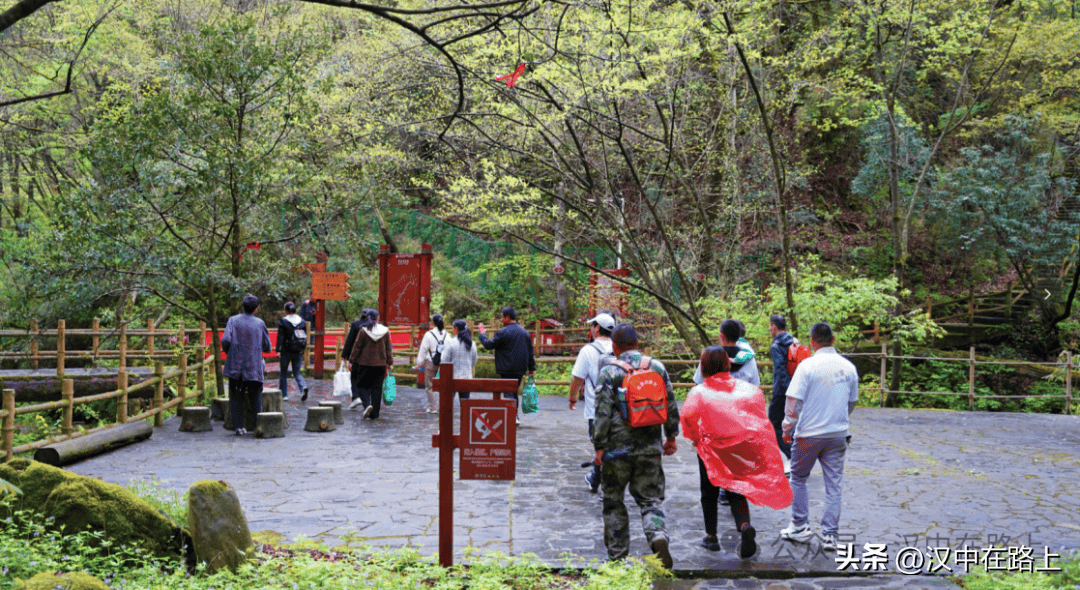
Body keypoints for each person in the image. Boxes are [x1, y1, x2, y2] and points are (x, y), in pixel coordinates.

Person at [681, 346, 792, 558]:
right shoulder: (747, 390)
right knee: (737, 488)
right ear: (727, 363)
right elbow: (757, 417)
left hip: (711, 447)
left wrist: (696, 438)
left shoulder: (699, 392)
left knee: (709, 492)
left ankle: (711, 537)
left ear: (703, 367)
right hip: (739, 447)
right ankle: (744, 525)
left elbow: (687, 417)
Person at [592, 323, 680, 569]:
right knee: (650, 500)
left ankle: (618, 560)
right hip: (650, 447)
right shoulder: (657, 367)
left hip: (616, 450)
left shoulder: (609, 372)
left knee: (613, 501)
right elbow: (670, 403)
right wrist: (671, 437)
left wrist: (599, 446)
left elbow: (602, 412)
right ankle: (658, 536)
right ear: (638, 344)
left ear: (615, 346)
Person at [780, 322, 859, 551]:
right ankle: (830, 535)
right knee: (834, 483)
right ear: (833, 338)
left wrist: (787, 427)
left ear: (812, 341)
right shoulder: (848, 367)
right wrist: (840, 418)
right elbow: (851, 402)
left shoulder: (807, 366)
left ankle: (800, 525)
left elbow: (794, 401)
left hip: (809, 433)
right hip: (837, 433)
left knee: (799, 477)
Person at [569, 312, 615, 493]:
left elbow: (577, 378)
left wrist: (572, 398)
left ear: (597, 328)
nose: (591, 329)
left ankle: (602, 483)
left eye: (592, 325)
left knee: (600, 445)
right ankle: (596, 479)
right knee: (611, 443)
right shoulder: (619, 347)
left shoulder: (588, 350)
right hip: (617, 406)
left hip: (595, 408)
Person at [221, 294, 272, 436]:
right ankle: (257, 426)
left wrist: (230, 352)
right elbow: (267, 347)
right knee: (255, 397)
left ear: (242, 306)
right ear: (256, 309)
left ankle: (238, 427)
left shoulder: (233, 320)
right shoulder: (260, 323)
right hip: (254, 365)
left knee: (236, 396)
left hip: (235, 365)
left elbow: (225, 339)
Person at [477, 307, 535, 424]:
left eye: (502, 317)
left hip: (506, 367)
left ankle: (512, 416)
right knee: (513, 392)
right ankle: (515, 416)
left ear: (508, 317)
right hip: (520, 368)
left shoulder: (502, 332)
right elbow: (530, 352)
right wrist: (531, 368)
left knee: (509, 392)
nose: (501, 319)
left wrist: (483, 335)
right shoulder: (524, 333)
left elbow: (489, 345)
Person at [343, 308, 394, 419]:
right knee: (377, 389)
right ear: (378, 318)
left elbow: (357, 347)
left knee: (362, 386)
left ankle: (367, 405)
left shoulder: (363, 330)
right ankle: (375, 414)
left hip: (364, 364)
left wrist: (351, 360)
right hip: (380, 364)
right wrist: (390, 362)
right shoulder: (385, 331)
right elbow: (388, 348)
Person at [692, 319, 760, 386]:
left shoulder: (709, 355)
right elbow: (755, 385)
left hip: (713, 396)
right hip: (743, 396)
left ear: (722, 336)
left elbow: (698, 383)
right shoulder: (749, 358)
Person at [768, 315, 795, 463]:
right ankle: (793, 453)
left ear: (774, 326)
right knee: (792, 422)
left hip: (782, 391)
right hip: (797, 388)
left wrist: (785, 391)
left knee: (773, 423)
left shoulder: (776, 346)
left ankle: (791, 455)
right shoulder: (794, 342)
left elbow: (780, 370)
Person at [275, 302, 309, 402]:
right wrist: (303, 348)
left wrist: (278, 350)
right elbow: (304, 335)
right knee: (297, 372)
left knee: (283, 373)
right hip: (298, 350)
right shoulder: (301, 321)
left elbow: (280, 336)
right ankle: (303, 387)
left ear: (286, 311)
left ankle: (284, 395)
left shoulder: (283, 321)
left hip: (286, 350)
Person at [415, 313, 449, 414]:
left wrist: (419, 364)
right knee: (445, 385)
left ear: (432, 323)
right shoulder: (447, 334)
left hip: (431, 362)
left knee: (429, 386)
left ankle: (433, 407)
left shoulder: (429, 334)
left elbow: (423, 351)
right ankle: (445, 407)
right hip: (444, 362)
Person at [440, 319, 479, 401]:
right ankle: (464, 414)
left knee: (448, 403)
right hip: (466, 377)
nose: (452, 330)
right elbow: (474, 360)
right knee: (465, 403)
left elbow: (444, 360)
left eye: (453, 328)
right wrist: (468, 367)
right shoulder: (471, 343)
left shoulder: (450, 342)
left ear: (456, 328)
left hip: (451, 378)